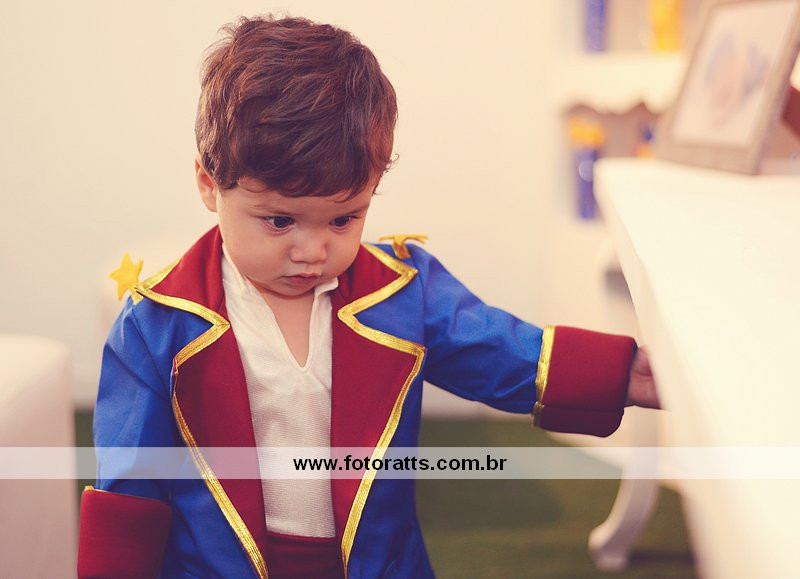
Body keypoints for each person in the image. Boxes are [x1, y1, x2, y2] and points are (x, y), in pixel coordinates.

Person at [78, 15, 659, 578]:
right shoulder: (154, 323)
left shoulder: (402, 289)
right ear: (210, 184)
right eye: (280, 221)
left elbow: (497, 348)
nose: (313, 250)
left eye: (343, 219)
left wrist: (619, 374)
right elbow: (129, 481)